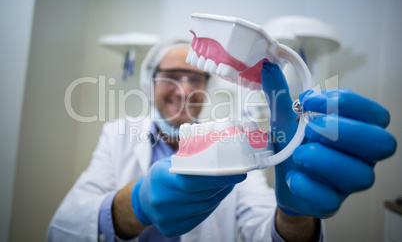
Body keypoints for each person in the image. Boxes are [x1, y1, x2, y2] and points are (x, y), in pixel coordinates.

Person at [47, 39, 397, 242]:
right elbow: (63, 227)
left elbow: (262, 226)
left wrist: (294, 216)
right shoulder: (117, 133)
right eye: (171, 76)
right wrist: (134, 205)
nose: (184, 89)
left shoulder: (235, 141)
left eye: (196, 78)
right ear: (149, 83)